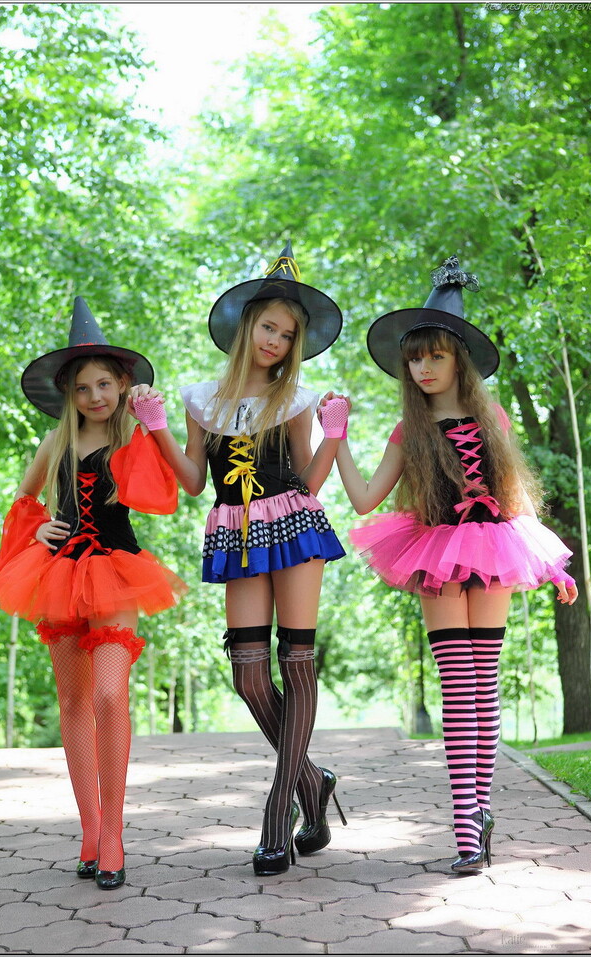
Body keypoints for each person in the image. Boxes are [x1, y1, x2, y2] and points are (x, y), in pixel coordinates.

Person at [327, 256, 577, 873]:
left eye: (435, 356)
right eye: (415, 359)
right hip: (436, 553)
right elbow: (365, 500)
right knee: (458, 687)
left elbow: (514, 498)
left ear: (458, 359)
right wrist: (336, 438)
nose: (424, 368)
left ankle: (477, 816)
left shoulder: (493, 417)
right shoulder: (407, 429)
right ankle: (468, 821)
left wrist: (553, 565)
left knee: (483, 686)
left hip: (495, 549)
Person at [130, 242, 348, 875]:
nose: (275, 341)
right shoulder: (203, 398)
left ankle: (279, 812)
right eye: (269, 327)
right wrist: (156, 426)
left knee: (296, 663)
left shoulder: (297, 398)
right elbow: (194, 481)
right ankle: (312, 779)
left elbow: (309, 480)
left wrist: (334, 434)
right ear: (247, 324)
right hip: (237, 532)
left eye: (288, 334)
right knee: (249, 677)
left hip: (295, 525)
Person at [0, 297, 187, 890]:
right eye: (82, 388)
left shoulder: (133, 438)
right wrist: (38, 530)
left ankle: (116, 833)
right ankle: (91, 831)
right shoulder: (54, 444)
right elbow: (23, 504)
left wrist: (151, 421)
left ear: (121, 384)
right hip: (58, 575)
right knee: (73, 703)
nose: (95, 396)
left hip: (117, 570)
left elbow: (165, 495)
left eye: (104, 384)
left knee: (108, 694)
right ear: (68, 394)